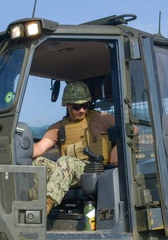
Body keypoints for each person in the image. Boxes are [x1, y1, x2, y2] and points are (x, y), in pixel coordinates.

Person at [32, 81, 117, 211]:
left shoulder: (101, 119)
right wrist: (20, 151)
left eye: (85, 105)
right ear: (68, 106)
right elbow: (40, 147)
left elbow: (132, 129)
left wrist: (117, 148)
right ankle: (32, 203)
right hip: (67, 173)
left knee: (66, 161)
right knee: (36, 163)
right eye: (77, 107)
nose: (82, 110)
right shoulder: (59, 127)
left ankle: (45, 206)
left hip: (93, 169)